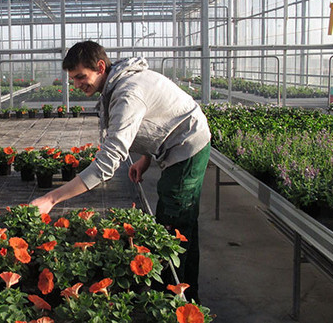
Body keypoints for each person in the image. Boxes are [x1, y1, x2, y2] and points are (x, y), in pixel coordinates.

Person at [30, 40, 211, 302]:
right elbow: (157, 118)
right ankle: (188, 293)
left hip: (187, 146)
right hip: (175, 142)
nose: (77, 84)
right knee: (183, 223)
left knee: (173, 222)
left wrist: (51, 198)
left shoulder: (128, 93)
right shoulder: (119, 83)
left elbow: (107, 163)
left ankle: (174, 301)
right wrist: (145, 158)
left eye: (81, 76)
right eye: (73, 79)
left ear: (100, 67)